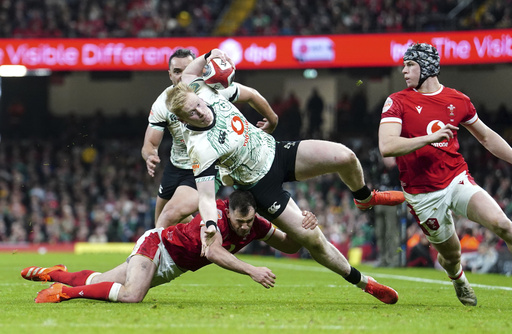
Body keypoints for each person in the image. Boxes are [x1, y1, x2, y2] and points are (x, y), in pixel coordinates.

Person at [165, 50, 405, 304]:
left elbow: (193, 72)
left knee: (345, 156)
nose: (201, 112)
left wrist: (211, 53)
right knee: (313, 239)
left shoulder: (199, 88)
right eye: (193, 113)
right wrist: (211, 224)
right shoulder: (199, 147)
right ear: (182, 119)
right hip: (260, 186)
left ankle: (364, 198)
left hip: (276, 152)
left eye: (199, 105)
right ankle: (365, 283)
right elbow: (206, 197)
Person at [378, 42, 512, 306]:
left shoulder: (458, 100)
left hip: (456, 178)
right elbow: (387, 146)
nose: (404, 71)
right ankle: (459, 278)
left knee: (504, 225)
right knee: (451, 255)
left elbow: (486, 138)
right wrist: (430, 138)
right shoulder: (397, 101)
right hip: (422, 193)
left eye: (410, 65)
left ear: (426, 67)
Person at [21, 190, 317, 303]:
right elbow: (212, 252)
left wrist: (305, 226)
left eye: (249, 221)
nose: (244, 227)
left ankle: (56, 273)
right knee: (131, 296)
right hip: (158, 246)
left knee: (99, 281)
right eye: (240, 221)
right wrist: (252, 270)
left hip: (172, 267)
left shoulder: (256, 224)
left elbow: (290, 245)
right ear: (227, 212)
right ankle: (65, 294)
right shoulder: (214, 214)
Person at [141, 48, 278, 228]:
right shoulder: (163, 103)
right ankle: (192, 243)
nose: (182, 76)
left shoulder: (210, 88)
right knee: (160, 221)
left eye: (186, 69)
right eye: (176, 71)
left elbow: (251, 94)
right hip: (175, 167)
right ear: (169, 75)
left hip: (205, 166)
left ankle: (157, 254)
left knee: (168, 216)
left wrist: (273, 119)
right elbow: (149, 144)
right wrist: (150, 155)